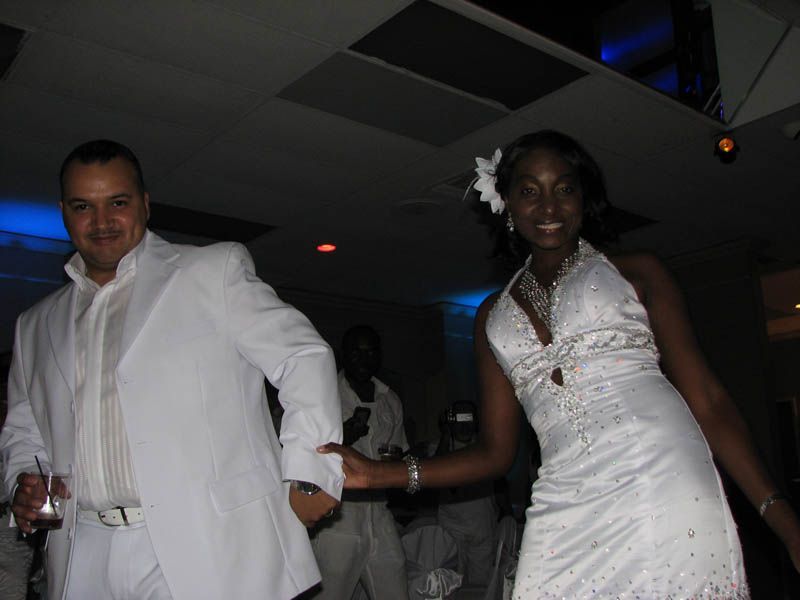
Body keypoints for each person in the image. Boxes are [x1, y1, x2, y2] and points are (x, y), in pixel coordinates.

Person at [321, 130, 800, 598]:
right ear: (506, 203)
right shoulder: (492, 315)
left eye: (564, 189)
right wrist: (381, 474)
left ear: (583, 197)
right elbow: (494, 453)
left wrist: (784, 521)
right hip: (561, 499)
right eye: (529, 191)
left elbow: (709, 402)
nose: (549, 207)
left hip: (663, 480)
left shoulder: (637, 272)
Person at [0, 139, 343, 600]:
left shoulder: (211, 271)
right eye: (84, 206)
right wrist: (21, 479)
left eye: (117, 202)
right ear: (63, 211)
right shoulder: (34, 324)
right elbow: (24, 430)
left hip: (208, 546)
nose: (101, 222)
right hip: (81, 551)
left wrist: (310, 473)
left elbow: (302, 356)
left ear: (144, 203)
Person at [311, 325, 408, 600]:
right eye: (356, 352)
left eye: (371, 352)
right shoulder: (325, 393)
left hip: (380, 514)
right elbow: (305, 455)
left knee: (396, 591)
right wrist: (346, 434)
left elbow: (399, 450)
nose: (364, 359)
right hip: (338, 519)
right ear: (344, 355)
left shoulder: (390, 399)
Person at [435, 401, 496, 587]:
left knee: (481, 585)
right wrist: (446, 433)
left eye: (468, 418)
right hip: (452, 529)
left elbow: (500, 482)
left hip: (482, 528)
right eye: (459, 419)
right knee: (450, 583)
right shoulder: (439, 448)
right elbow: (438, 469)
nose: (464, 425)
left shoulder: (486, 449)